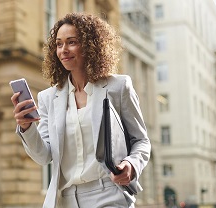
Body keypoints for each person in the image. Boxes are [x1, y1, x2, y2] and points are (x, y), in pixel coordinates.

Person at [11, 12, 151, 208]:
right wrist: (26, 127)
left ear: (90, 45)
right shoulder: (48, 98)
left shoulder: (118, 87)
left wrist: (131, 165)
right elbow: (43, 156)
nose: (63, 50)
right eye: (59, 44)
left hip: (109, 194)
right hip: (65, 199)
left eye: (71, 42)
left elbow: (141, 141)